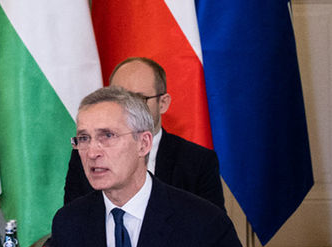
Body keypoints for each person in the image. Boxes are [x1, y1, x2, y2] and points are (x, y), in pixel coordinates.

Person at [26, 87, 258, 247]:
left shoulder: (202, 222)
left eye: (107, 136)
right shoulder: (70, 222)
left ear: (144, 143)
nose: (92, 152)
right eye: (84, 138)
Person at [64, 57, 223, 209]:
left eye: (139, 99)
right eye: (118, 100)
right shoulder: (86, 156)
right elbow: (73, 226)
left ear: (163, 103)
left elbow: (211, 230)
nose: (127, 109)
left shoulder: (197, 162)